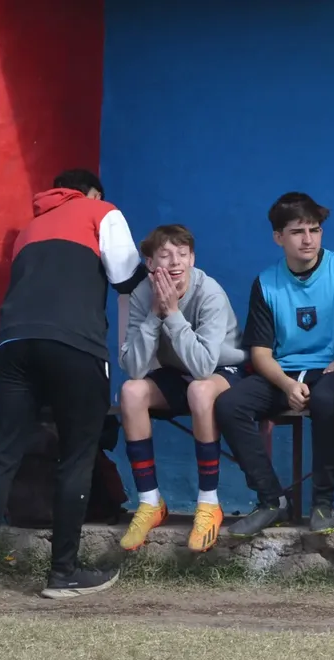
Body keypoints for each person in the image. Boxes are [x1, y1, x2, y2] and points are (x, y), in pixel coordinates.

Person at [0, 169, 145, 602]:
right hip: (74, 345)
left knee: (1, 456)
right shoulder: (102, 211)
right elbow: (124, 276)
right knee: (76, 456)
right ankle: (62, 575)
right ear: (93, 192)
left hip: (14, 346)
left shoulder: (29, 229)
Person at [214, 192, 334, 537]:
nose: (308, 239)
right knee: (229, 404)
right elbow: (260, 353)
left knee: (325, 399)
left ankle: (322, 503)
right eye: (298, 231)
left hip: (333, 370)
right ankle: (272, 500)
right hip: (282, 373)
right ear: (278, 237)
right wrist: (286, 385)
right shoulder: (267, 282)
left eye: (314, 230)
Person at [117, 224, 247, 553]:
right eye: (165, 255)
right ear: (150, 263)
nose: (175, 262)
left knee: (200, 390)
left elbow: (204, 366)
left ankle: (208, 504)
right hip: (177, 372)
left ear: (192, 258)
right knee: (131, 392)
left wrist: (173, 314)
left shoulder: (209, 292)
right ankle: (149, 503)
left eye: (183, 254)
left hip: (222, 369)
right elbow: (133, 366)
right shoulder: (142, 295)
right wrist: (154, 315)